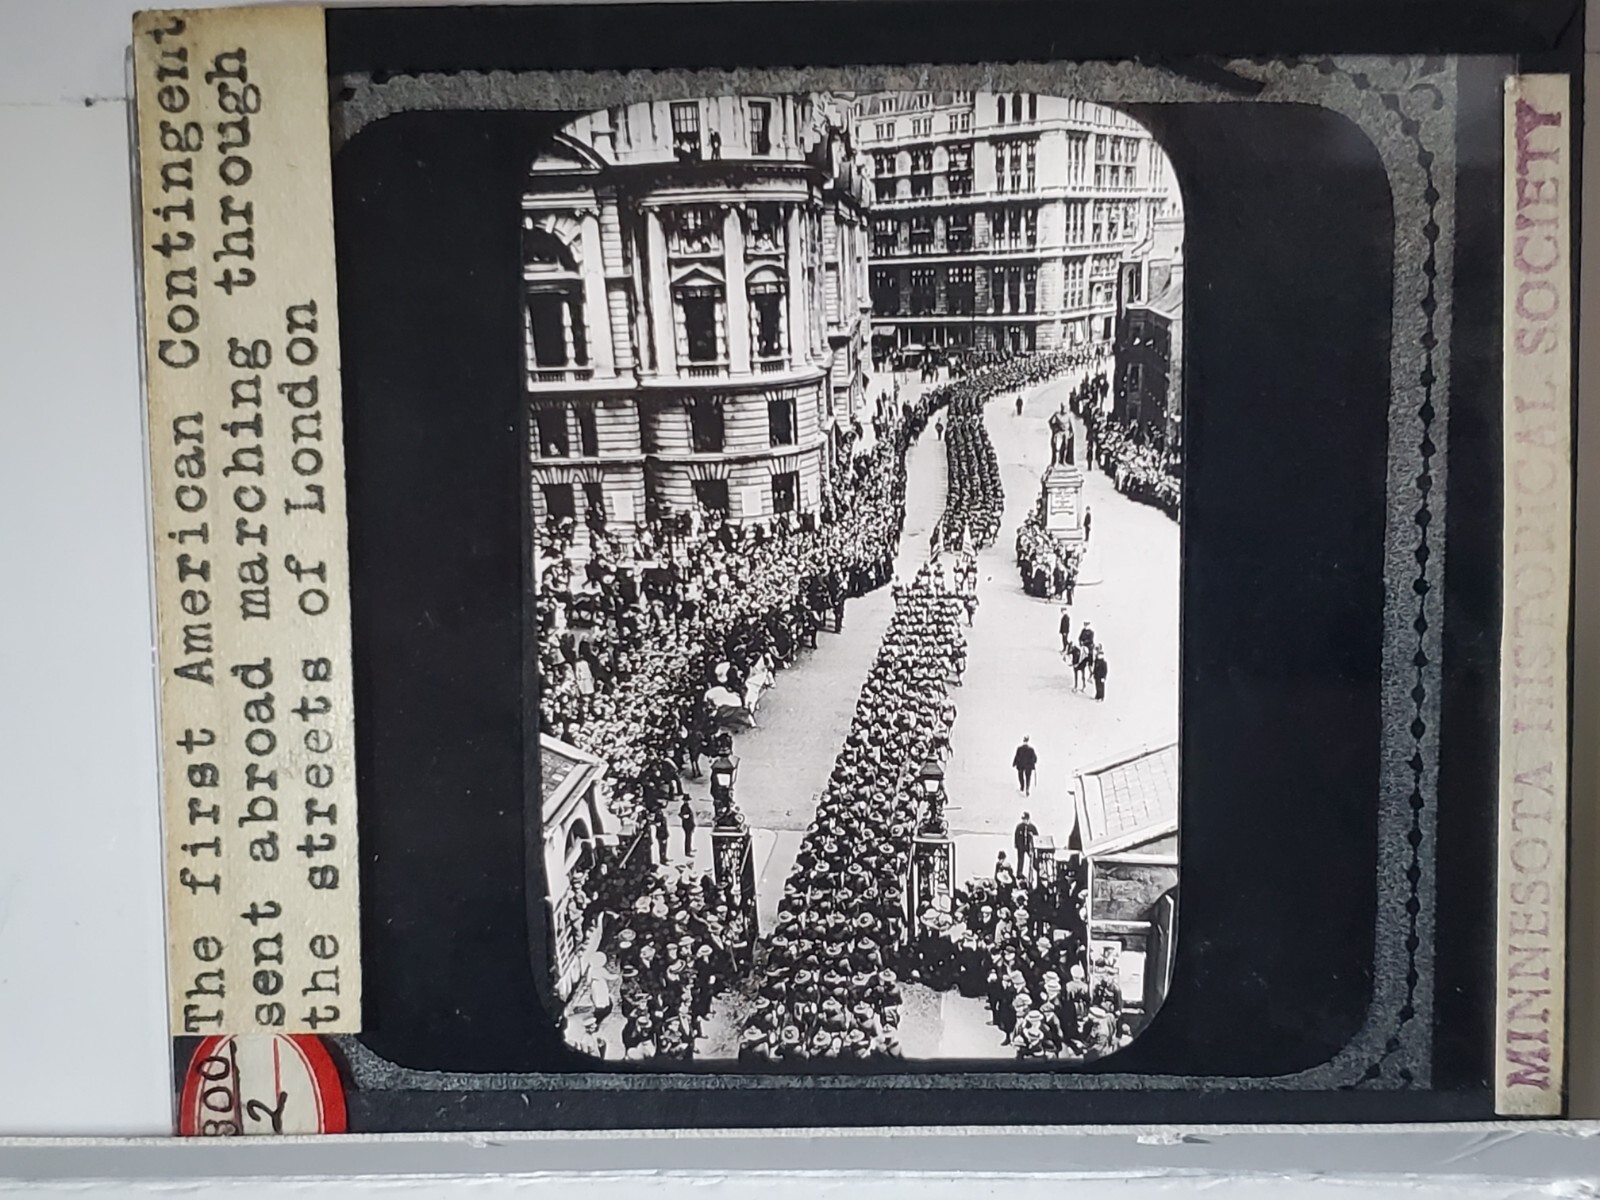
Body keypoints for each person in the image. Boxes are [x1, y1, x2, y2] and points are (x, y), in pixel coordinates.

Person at [1013, 811, 1039, 884]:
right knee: (1020, 860)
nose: (1024, 821)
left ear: (1028, 819)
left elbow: (1036, 837)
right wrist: (1016, 845)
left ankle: (1037, 870)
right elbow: (1016, 836)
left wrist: (1034, 846)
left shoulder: (1032, 827)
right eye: (1023, 819)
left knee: (1033, 859)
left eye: (1025, 819)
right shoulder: (1019, 827)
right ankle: (1019, 873)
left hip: (1029, 846)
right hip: (1021, 846)